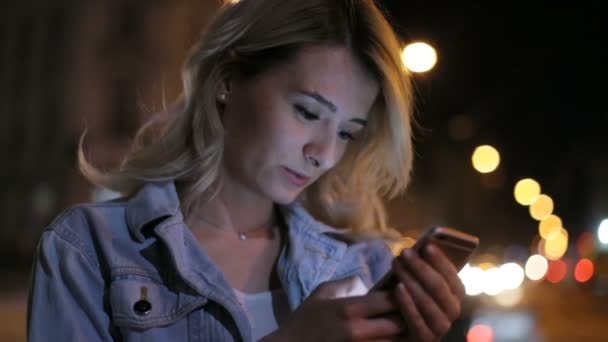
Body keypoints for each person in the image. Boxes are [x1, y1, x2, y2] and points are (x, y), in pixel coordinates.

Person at [27, 0, 466, 341]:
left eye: (348, 132)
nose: (326, 154)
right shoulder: (90, 249)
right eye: (308, 112)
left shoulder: (360, 267)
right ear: (227, 79)